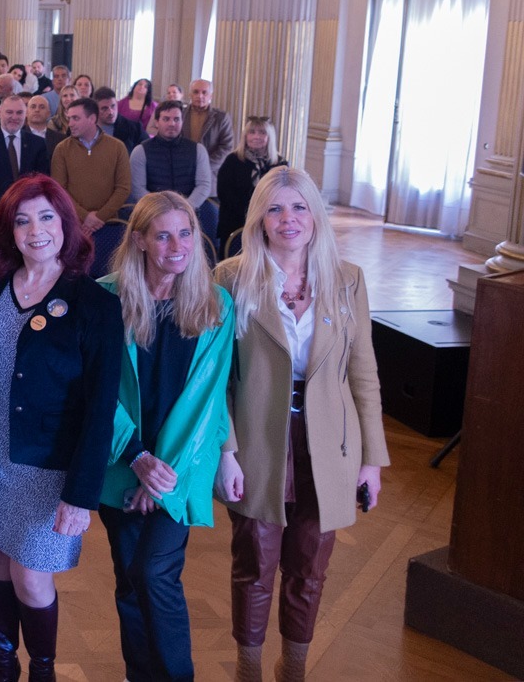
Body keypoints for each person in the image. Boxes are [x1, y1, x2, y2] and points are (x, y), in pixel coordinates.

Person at [213, 167, 388, 682]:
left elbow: (365, 374)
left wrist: (373, 460)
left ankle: (294, 669)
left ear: (315, 215)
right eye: (275, 209)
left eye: (299, 207)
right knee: (254, 565)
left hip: (328, 446)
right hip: (256, 444)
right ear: (259, 220)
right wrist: (226, 451)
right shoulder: (230, 277)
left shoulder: (347, 278)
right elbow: (216, 379)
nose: (288, 220)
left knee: (310, 567)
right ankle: (248, 670)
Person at [0, 174, 125, 682]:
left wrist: (81, 495)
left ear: (67, 224)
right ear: (8, 230)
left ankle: (43, 672)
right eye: (22, 220)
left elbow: (102, 409)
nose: (35, 230)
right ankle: (2, 669)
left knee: (31, 580)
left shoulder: (96, 304)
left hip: (50, 471)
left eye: (46, 217)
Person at [97, 192, 237, 682]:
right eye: (163, 235)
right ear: (139, 240)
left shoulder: (216, 304)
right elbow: (92, 394)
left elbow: (208, 402)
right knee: (128, 581)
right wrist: (136, 458)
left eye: (186, 233)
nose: (177, 245)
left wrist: (160, 478)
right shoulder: (104, 298)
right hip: (119, 465)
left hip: (180, 469)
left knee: (154, 574)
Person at [51, 97, 133, 235]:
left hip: (110, 224)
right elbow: (59, 189)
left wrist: (99, 217)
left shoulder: (117, 147)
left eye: (75, 118)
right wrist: (85, 217)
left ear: (92, 119)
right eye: (69, 118)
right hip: (74, 224)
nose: (70, 123)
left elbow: (123, 188)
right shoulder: (62, 149)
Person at [0, 94, 52, 219]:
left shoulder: (37, 143)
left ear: (25, 114)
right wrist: (6, 203)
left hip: (29, 213)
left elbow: (42, 179)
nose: (14, 117)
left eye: (19, 113)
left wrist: (23, 203)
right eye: (9, 112)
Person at [216, 116, 288, 246]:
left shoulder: (280, 164)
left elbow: (284, 195)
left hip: (271, 223)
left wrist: (263, 216)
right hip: (235, 223)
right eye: (252, 132)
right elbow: (225, 195)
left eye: (262, 132)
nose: (256, 136)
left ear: (269, 137)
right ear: (245, 136)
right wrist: (251, 217)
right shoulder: (233, 160)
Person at [129, 100, 213, 210]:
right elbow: (137, 188)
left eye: (176, 119)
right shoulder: (140, 151)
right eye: (166, 119)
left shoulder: (198, 150)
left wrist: (185, 208)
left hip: (191, 211)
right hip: (152, 212)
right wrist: (161, 209)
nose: (172, 124)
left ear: (182, 122)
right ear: (156, 122)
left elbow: (204, 185)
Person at [187, 79, 236, 173]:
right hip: (183, 168)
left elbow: (226, 146)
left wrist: (205, 166)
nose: (200, 96)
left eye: (204, 92)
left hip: (210, 171)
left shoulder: (221, 117)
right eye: (196, 92)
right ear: (190, 94)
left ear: (211, 96)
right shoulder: (180, 115)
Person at [95, 87, 145, 153]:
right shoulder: (88, 128)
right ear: (95, 110)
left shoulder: (135, 128)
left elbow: (148, 152)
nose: (111, 112)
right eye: (104, 108)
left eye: (113, 106)